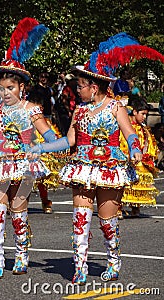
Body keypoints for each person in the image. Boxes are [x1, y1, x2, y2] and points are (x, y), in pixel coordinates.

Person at [54, 32, 164, 285]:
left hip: (110, 168)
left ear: (94, 87)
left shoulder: (116, 107)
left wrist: (135, 149)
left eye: (80, 86)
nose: (77, 90)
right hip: (83, 167)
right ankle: (79, 267)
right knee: (80, 219)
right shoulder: (79, 109)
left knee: (107, 222)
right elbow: (70, 139)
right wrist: (41, 148)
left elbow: (129, 134)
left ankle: (113, 258)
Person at [0, 17, 63, 278]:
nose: (5, 92)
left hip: (22, 166)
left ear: (22, 87)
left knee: (18, 213)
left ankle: (21, 256)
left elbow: (50, 135)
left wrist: (43, 146)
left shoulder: (31, 110)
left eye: (10, 88)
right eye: (1, 88)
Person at [120, 98, 159, 217]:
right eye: (142, 114)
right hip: (126, 158)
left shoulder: (143, 128)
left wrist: (149, 155)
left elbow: (149, 142)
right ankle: (117, 208)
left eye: (146, 115)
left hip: (140, 159)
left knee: (139, 182)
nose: (144, 117)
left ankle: (135, 208)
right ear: (134, 112)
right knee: (123, 183)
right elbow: (121, 141)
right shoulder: (125, 126)